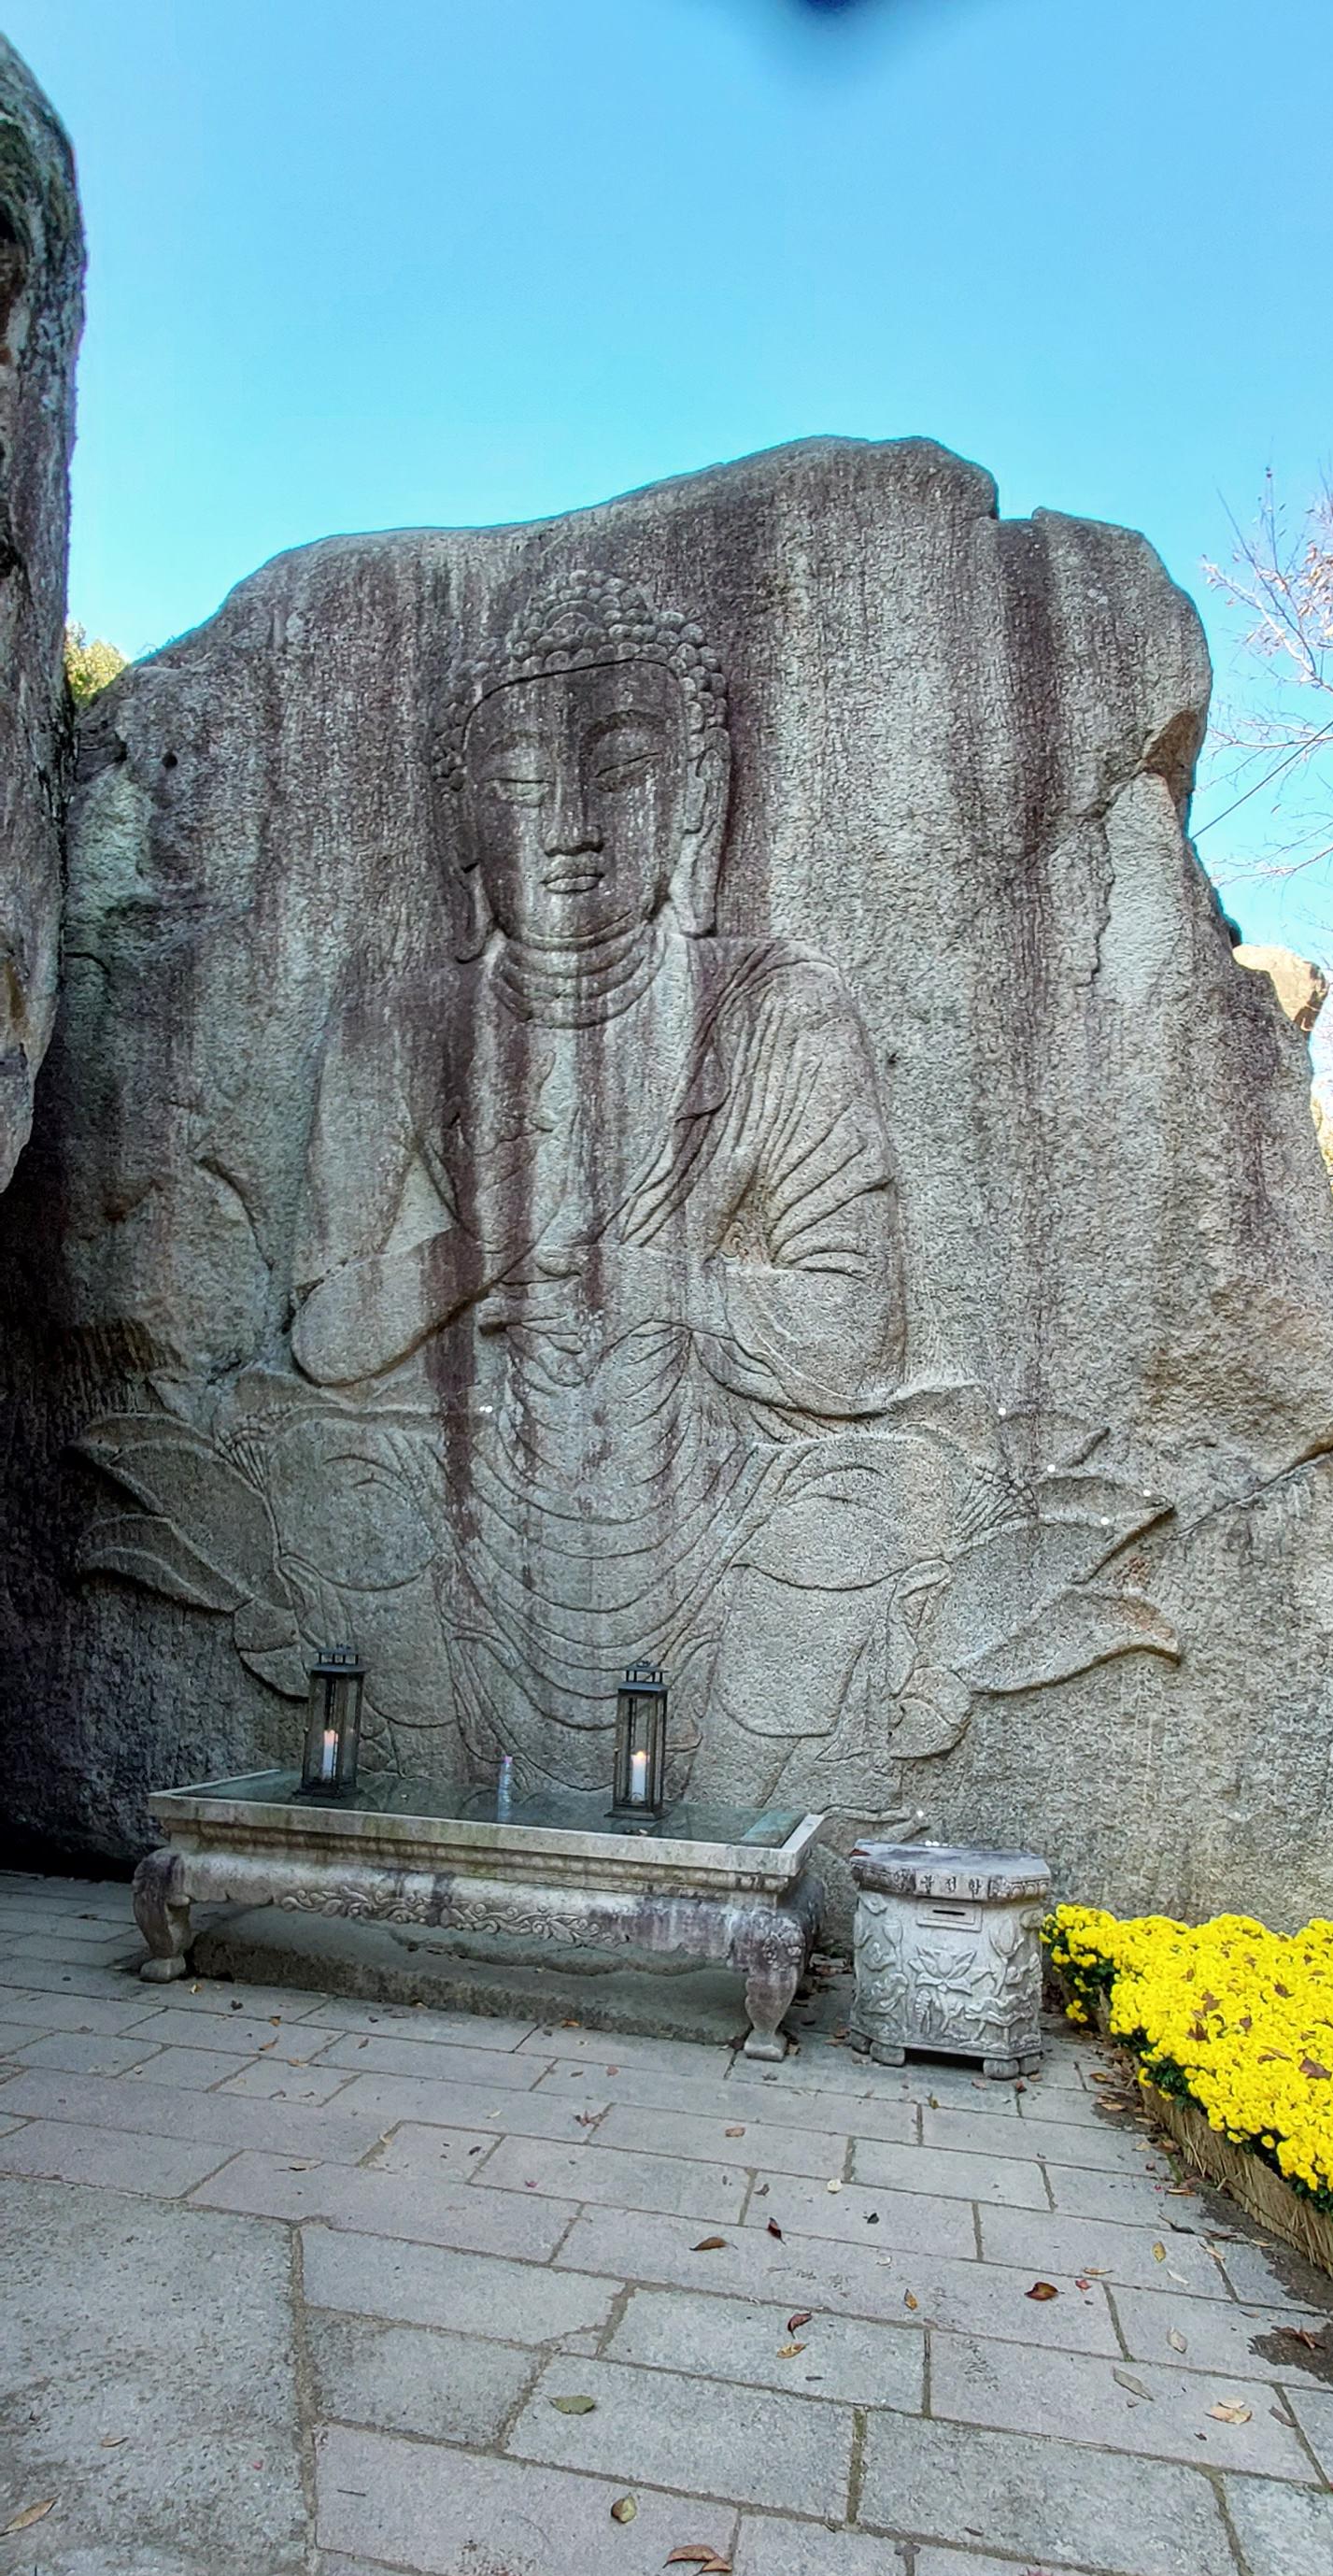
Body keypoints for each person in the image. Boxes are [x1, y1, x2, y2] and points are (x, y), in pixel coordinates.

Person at [290, 574, 907, 1797]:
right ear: (465, 826)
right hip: (477, 1483)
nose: (569, 829)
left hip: (710, 1487)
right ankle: (422, 1806)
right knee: (332, 1469)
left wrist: (650, 1283)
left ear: (697, 796)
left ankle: (730, 1826)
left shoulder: (780, 1010)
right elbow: (322, 1337)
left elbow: (857, 1338)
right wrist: (483, 1255)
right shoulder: (395, 1027)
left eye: (622, 771)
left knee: (853, 1503)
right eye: (521, 789)